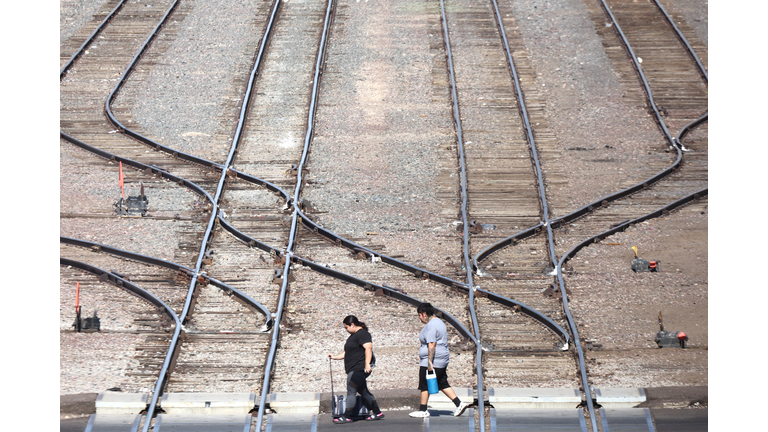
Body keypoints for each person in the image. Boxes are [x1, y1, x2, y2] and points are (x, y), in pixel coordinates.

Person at [409, 303, 470, 418]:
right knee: (442, 382)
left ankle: (423, 410)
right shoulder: (440, 322)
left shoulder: (431, 326)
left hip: (433, 360)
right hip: (442, 359)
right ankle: (459, 404)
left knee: (424, 384)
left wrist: (429, 362)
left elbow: (431, 344)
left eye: (419, 315)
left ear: (424, 314)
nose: (419, 318)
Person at [328, 315, 384, 423]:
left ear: (352, 324)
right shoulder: (354, 336)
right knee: (364, 392)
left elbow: (368, 348)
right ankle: (377, 412)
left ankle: (347, 416)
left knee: (351, 391)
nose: (346, 330)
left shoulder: (363, 334)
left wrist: (367, 364)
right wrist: (334, 357)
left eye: (346, 327)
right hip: (354, 368)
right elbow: (347, 353)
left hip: (358, 368)